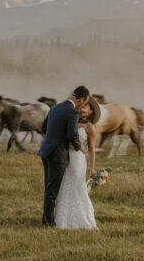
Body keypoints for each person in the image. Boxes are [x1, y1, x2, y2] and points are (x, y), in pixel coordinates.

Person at [38, 85, 90, 228]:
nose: (83, 106)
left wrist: (53, 136)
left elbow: (43, 128)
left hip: (46, 151)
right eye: (84, 103)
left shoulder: (55, 108)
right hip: (58, 155)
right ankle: (48, 223)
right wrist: (80, 146)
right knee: (53, 189)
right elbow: (72, 135)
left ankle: (46, 218)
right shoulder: (72, 112)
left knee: (49, 187)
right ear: (81, 100)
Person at [54, 93, 100, 229]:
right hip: (65, 157)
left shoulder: (90, 127)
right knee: (64, 186)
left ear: (91, 111)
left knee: (78, 186)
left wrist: (92, 168)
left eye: (87, 106)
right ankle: (63, 219)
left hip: (78, 160)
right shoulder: (70, 120)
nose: (83, 108)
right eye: (83, 105)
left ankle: (83, 218)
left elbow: (91, 149)